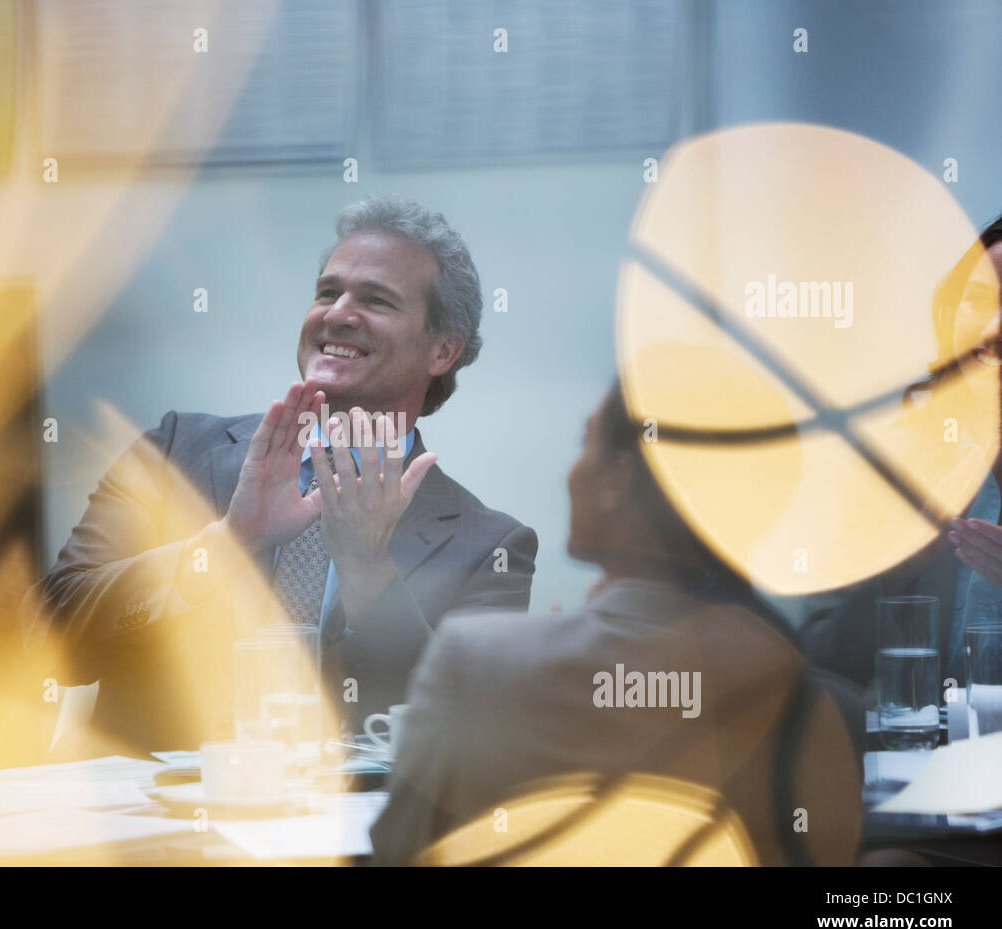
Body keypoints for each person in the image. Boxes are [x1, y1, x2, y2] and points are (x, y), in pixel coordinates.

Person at [21, 196, 538, 753]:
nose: (337, 313)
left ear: (442, 350)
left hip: (349, 831)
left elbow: (470, 734)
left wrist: (368, 569)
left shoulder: (490, 546)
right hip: (157, 827)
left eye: (377, 300)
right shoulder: (175, 452)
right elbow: (47, 633)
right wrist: (224, 543)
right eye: (327, 292)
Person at [370, 381, 862, 866]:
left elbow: (400, 853)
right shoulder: (824, 705)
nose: (572, 470)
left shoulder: (477, 659)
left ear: (616, 482)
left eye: (587, 442)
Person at [794, 212, 1002, 687]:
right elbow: (818, 662)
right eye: (978, 299)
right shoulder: (892, 463)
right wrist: (898, 569)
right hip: (911, 754)